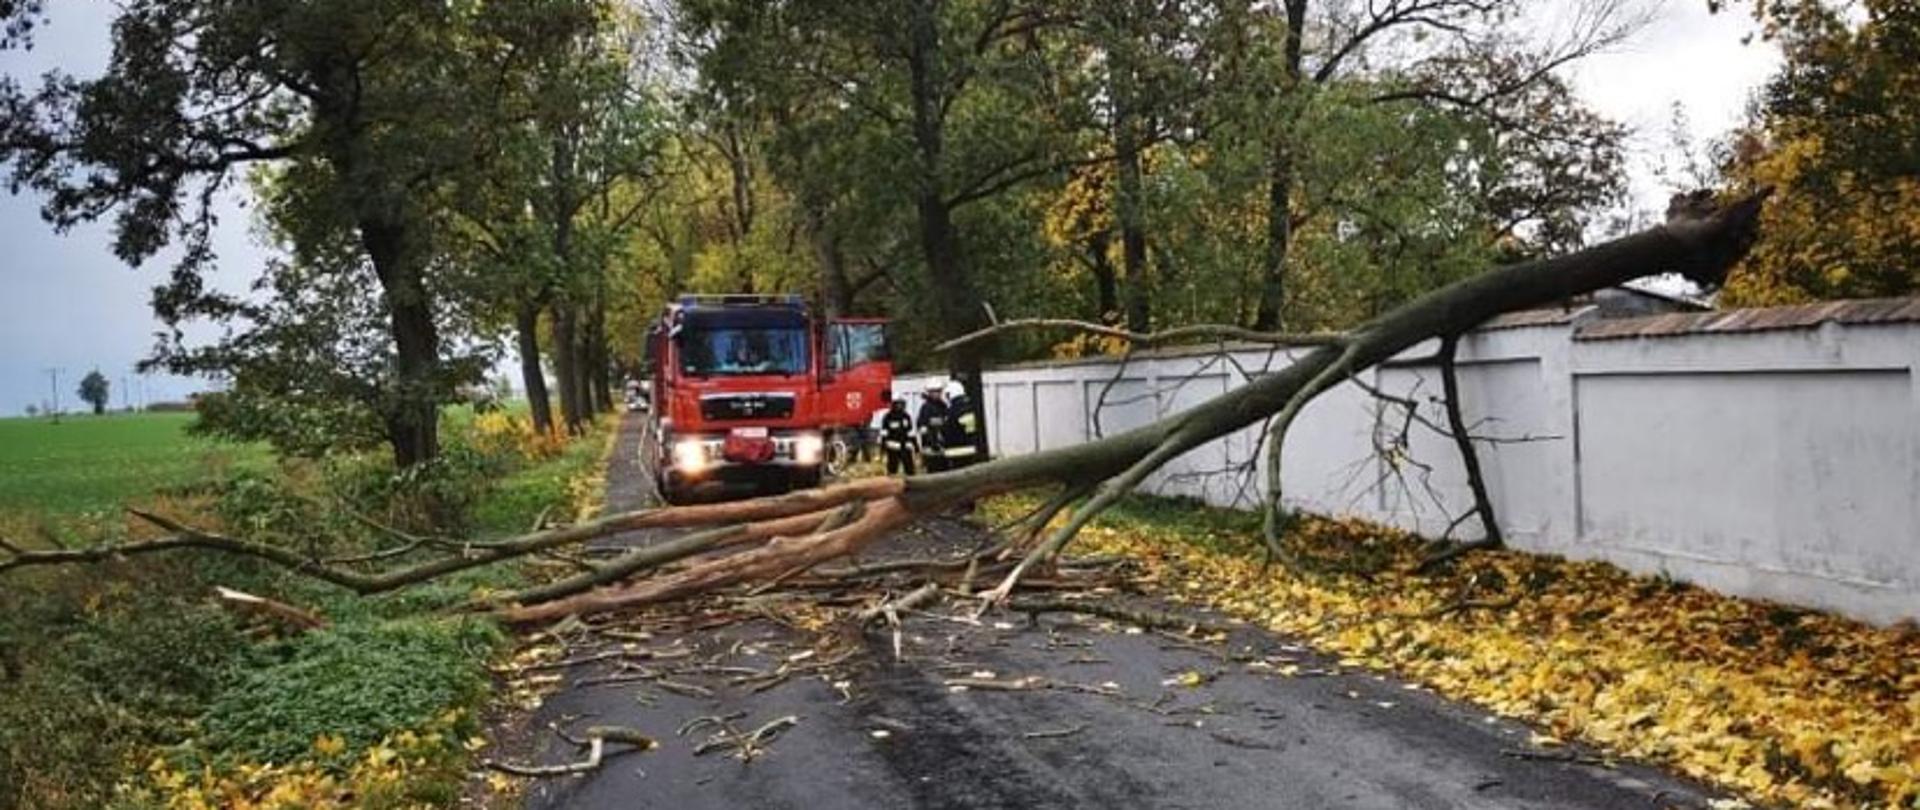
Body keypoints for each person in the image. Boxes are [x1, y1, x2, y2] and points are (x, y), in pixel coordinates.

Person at [939, 379, 982, 471]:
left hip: (956, 452)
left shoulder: (952, 411)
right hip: (971, 449)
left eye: (947, 395)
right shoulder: (971, 407)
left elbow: (947, 431)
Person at [916, 378, 951, 473]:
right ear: (929, 392)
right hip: (931, 449)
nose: (936, 393)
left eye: (938, 391)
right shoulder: (926, 408)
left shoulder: (944, 406)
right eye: (934, 391)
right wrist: (931, 440)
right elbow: (921, 427)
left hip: (944, 447)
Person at [880, 398, 916, 475]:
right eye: (897, 404)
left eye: (901, 404)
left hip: (906, 446)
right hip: (893, 446)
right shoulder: (888, 417)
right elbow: (884, 433)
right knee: (892, 468)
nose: (899, 406)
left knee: (910, 468)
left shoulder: (906, 416)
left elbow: (911, 432)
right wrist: (882, 448)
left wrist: (916, 447)